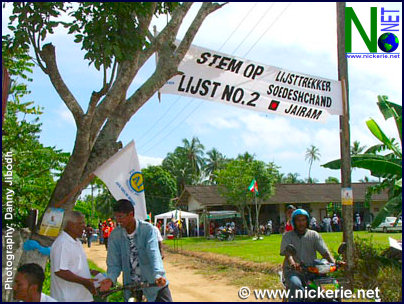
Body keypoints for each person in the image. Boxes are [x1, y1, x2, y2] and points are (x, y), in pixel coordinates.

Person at [100, 199, 172, 302]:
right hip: (131, 287)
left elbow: (154, 254)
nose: (118, 220)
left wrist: (158, 275)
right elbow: (113, 263)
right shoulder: (115, 235)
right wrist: (110, 279)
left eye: (120, 217)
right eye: (116, 217)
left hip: (154, 283)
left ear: (131, 214)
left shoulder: (147, 230)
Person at [280, 209, 344, 302]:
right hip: (294, 271)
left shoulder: (314, 235)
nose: (301, 223)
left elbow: (325, 252)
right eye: (298, 220)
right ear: (294, 222)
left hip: (313, 270)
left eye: (303, 220)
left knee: (331, 285)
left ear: (307, 221)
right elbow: (288, 254)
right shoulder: (288, 236)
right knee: (296, 285)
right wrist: (293, 264)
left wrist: (334, 262)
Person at [50, 211, 99, 302]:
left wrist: (90, 271)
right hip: (68, 298)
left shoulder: (76, 242)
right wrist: (85, 282)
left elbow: (73, 266)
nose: (84, 226)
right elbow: (60, 271)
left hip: (81, 298)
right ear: (70, 225)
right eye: (80, 223)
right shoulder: (62, 243)